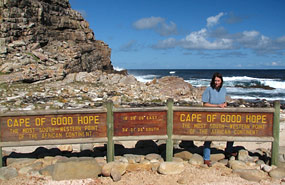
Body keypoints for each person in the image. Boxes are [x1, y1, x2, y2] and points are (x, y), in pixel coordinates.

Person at [202, 72, 235, 167]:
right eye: (215, 80)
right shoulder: (208, 90)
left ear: (221, 81)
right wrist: (217, 106)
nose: (216, 82)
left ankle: (228, 151)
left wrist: (225, 104)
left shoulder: (224, 90)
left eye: (218, 81)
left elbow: (223, 102)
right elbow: (205, 104)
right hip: (211, 116)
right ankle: (206, 158)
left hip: (222, 116)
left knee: (230, 133)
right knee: (209, 137)